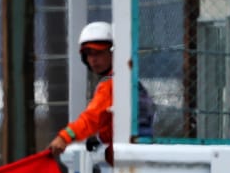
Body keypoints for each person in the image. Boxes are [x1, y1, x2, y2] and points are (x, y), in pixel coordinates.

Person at [47, 21, 154, 155]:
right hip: (138, 151)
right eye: (89, 54)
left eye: (98, 53)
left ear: (113, 52)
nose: (93, 60)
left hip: (124, 158)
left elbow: (92, 118)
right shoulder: (129, 81)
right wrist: (99, 138)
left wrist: (65, 137)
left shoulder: (111, 84)